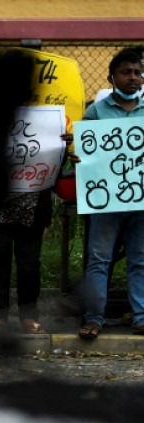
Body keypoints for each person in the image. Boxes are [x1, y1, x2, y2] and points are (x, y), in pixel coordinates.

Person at [76, 47, 144, 340]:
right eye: (125, 72)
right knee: (98, 259)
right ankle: (94, 318)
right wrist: (77, 154)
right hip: (105, 201)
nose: (133, 78)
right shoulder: (95, 112)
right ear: (111, 77)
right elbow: (84, 153)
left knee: (140, 259)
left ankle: (141, 317)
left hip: (141, 201)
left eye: (138, 73)